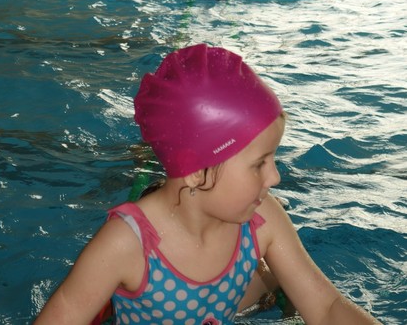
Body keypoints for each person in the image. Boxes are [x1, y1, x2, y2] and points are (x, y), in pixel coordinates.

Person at [34, 43, 381, 325]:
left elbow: (327, 308)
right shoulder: (126, 245)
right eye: (259, 163)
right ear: (197, 171)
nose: (275, 177)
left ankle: (271, 281)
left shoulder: (263, 220)